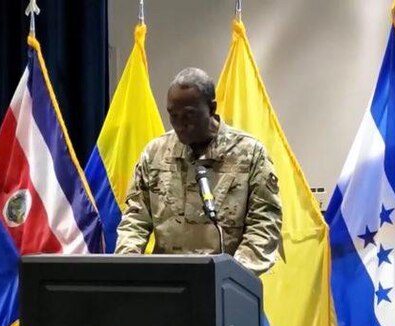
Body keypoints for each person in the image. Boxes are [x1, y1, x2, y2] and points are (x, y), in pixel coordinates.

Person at [115, 67, 282, 276]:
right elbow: (135, 218)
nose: (180, 124)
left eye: (189, 116)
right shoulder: (155, 153)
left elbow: (264, 224)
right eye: (173, 115)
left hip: (227, 285)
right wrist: (128, 265)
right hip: (168, 284)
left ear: (211, 108)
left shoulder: (249, 153)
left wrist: (234, 277)